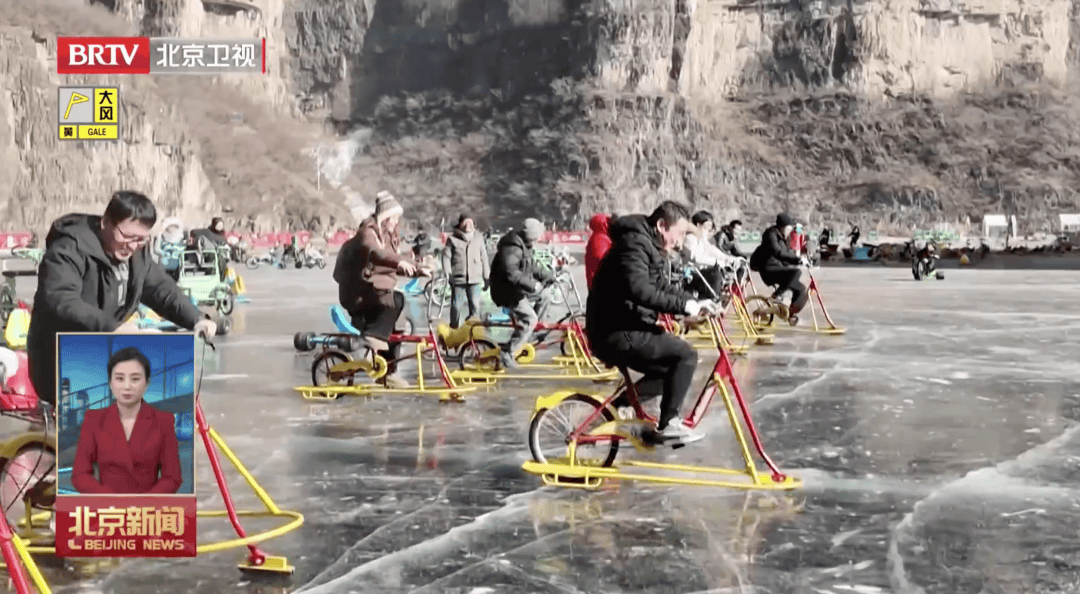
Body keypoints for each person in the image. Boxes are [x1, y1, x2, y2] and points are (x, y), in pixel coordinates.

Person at [26, 191, 217, 407]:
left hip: (106, 354)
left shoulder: (138, 254)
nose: (132, 246)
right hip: (62, 359)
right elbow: (61, 300)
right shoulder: (69, 248)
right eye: (126, 236)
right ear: (105, 222)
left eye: (141, 239)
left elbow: (161, 290)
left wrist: (195, 318)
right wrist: (113, 328)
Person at [587, 201, 714, 445]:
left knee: (671, 371)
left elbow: (660, 286)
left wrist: (694, 301)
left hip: (625, 324)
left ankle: (617, 408)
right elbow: (639, 289)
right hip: (616, 329)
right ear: (661, 226)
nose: (679, 242)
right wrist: (683, 307)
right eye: (678, 234)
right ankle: (669, 423)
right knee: (685, 356)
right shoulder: (634, 245)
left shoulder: (647, 244)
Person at [333, 191, 426, 388]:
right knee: (394, 300)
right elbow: (377, 254)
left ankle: (388, 372)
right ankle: (372, 338)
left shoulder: (389, 237)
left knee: (398, 321)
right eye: (393, 218)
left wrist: (419, 269)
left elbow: (393, 262)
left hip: (376, 291)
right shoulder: (367, 233)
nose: (396, 222)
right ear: (384, 217)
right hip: (358, 292)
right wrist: (399, 262)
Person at [71, 347, 182, 494]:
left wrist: (146, 502)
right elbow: (80, 474)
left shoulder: (163, 421)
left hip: (147, 506)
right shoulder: (94, 420)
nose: (127, 386)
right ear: (110, 384)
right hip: (106, 504)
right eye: (119, 379)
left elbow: (172, 478)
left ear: (146, 384)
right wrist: (108, 499)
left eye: (135, 379)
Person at [488, 218, 554, 369]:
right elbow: (511, 273)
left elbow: (531, 267)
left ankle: (530, 334)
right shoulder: (513, 248)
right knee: (530, 318)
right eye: (538, 235)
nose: (539, 238)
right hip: (507, 292)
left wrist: (547, 275)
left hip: (517, 288)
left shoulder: (525, 245)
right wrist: (533, 285)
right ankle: (508, 352)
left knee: (546, 296)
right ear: (531, 235)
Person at [749, 213, 809, 320]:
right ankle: (776, 296)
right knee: (796, 272)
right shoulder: (770, 235)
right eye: (788, 228)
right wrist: (797, 259)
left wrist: (801, 260)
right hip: (768, 270)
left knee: (801, 289)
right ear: (782, 227)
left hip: (778, 268)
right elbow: (778, 252)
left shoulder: (782, 238)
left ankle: (790, 315)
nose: (790, 231)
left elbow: (786, 256)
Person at [441, 215, 490, 328]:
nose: (468, 225)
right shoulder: (452, 239)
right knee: (456, 307)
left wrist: (486, 277)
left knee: (475, 306)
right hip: (459, 279)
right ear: (460, 224)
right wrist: (448, 274)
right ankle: (453, 328)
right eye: (465, 222)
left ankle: (473, 330)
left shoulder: (479, 237)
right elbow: (446, 257)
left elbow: (484, 258)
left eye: (470, 222)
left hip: (475, 279)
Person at [683, 211, 746, 298]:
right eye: (706, 228)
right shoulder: (690, 239)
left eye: (710, 229)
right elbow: (695, 258)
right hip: (690, 276)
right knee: (715, 275)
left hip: (701, 275)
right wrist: (717, 262)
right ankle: (712, 301)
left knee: (722, 275)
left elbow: (715, 252)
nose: (708, 231)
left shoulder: (703, 240)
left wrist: (730, 259)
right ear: (698, 225)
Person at [584, 213, 613, 290]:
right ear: (603, 224)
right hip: (600, 283)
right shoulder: (601, 239)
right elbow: (601, 260)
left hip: (594, 281)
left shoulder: (596, 237)